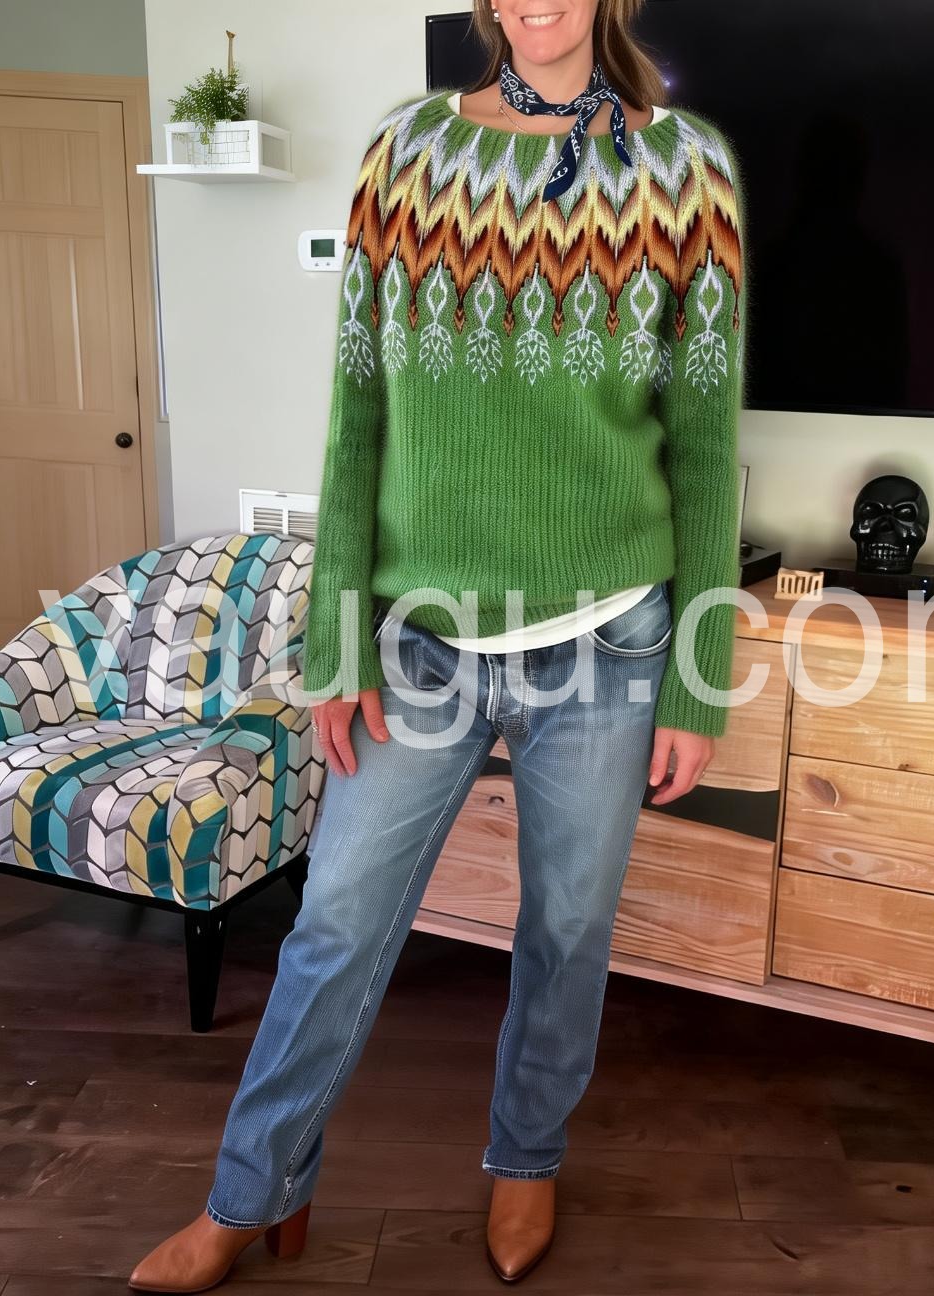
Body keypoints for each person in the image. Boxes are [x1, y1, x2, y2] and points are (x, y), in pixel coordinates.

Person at [128, 0, 745, 1288]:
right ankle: (250, 1193)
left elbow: (705, 443)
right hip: (420, 643)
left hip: (610, 641)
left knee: (566, 931)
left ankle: (527, 1159)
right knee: (336, 924)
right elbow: (356, 413)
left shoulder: (685, 170)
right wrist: (334, 639)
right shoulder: (406, 155)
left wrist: (697, 678)